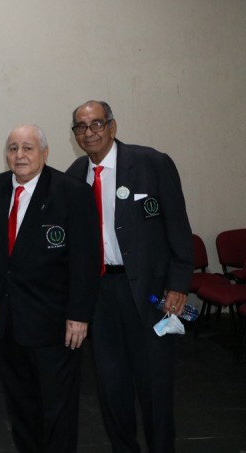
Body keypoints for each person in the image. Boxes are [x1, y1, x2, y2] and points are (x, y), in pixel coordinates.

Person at [66, 100, 193, 452]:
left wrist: (178, 284)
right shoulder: (74, 175)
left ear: (112, 126)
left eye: (96, 124)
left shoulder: (152, 163)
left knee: (155, 386)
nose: (89, 132)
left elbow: (179, 228)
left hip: (150, 295)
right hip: (101, 297)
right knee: (112, 387)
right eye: (81, 127)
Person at [0, 124, 100, 452]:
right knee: (20, 406)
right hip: (9, 323)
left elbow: (86, 260)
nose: (19, 155)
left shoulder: (72, 192)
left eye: (28, 148)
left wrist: (79, 314)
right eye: (13, 148)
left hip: (55, 324)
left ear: (45, 153)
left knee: (57, 408)